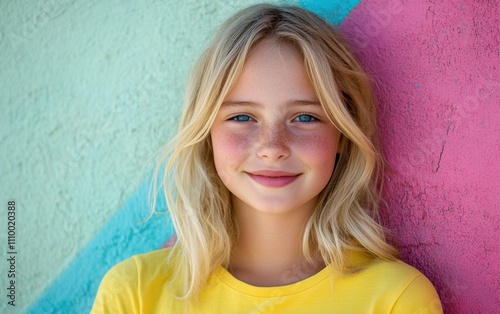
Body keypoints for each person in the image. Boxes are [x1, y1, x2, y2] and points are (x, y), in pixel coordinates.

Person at [92, 4, 442, 313]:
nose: (272, 147)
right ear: (206, 134)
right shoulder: (135, 293)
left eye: (305, 117)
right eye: (242, 117)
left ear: (343, 137)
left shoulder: (396, 299)